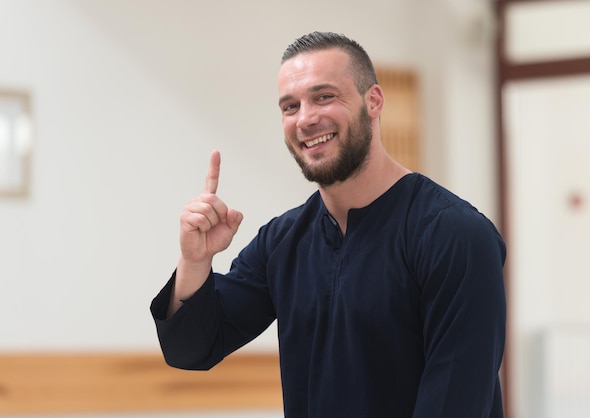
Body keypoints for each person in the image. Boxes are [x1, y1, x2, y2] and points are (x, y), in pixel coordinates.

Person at [150, 31, 506, 418]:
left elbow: (455, 401)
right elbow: (191, 349)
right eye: (290, 106)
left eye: (324, 97)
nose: (306, 118)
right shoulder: (282, 242)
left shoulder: (453, 234)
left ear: (373, 101)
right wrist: (195, 261)